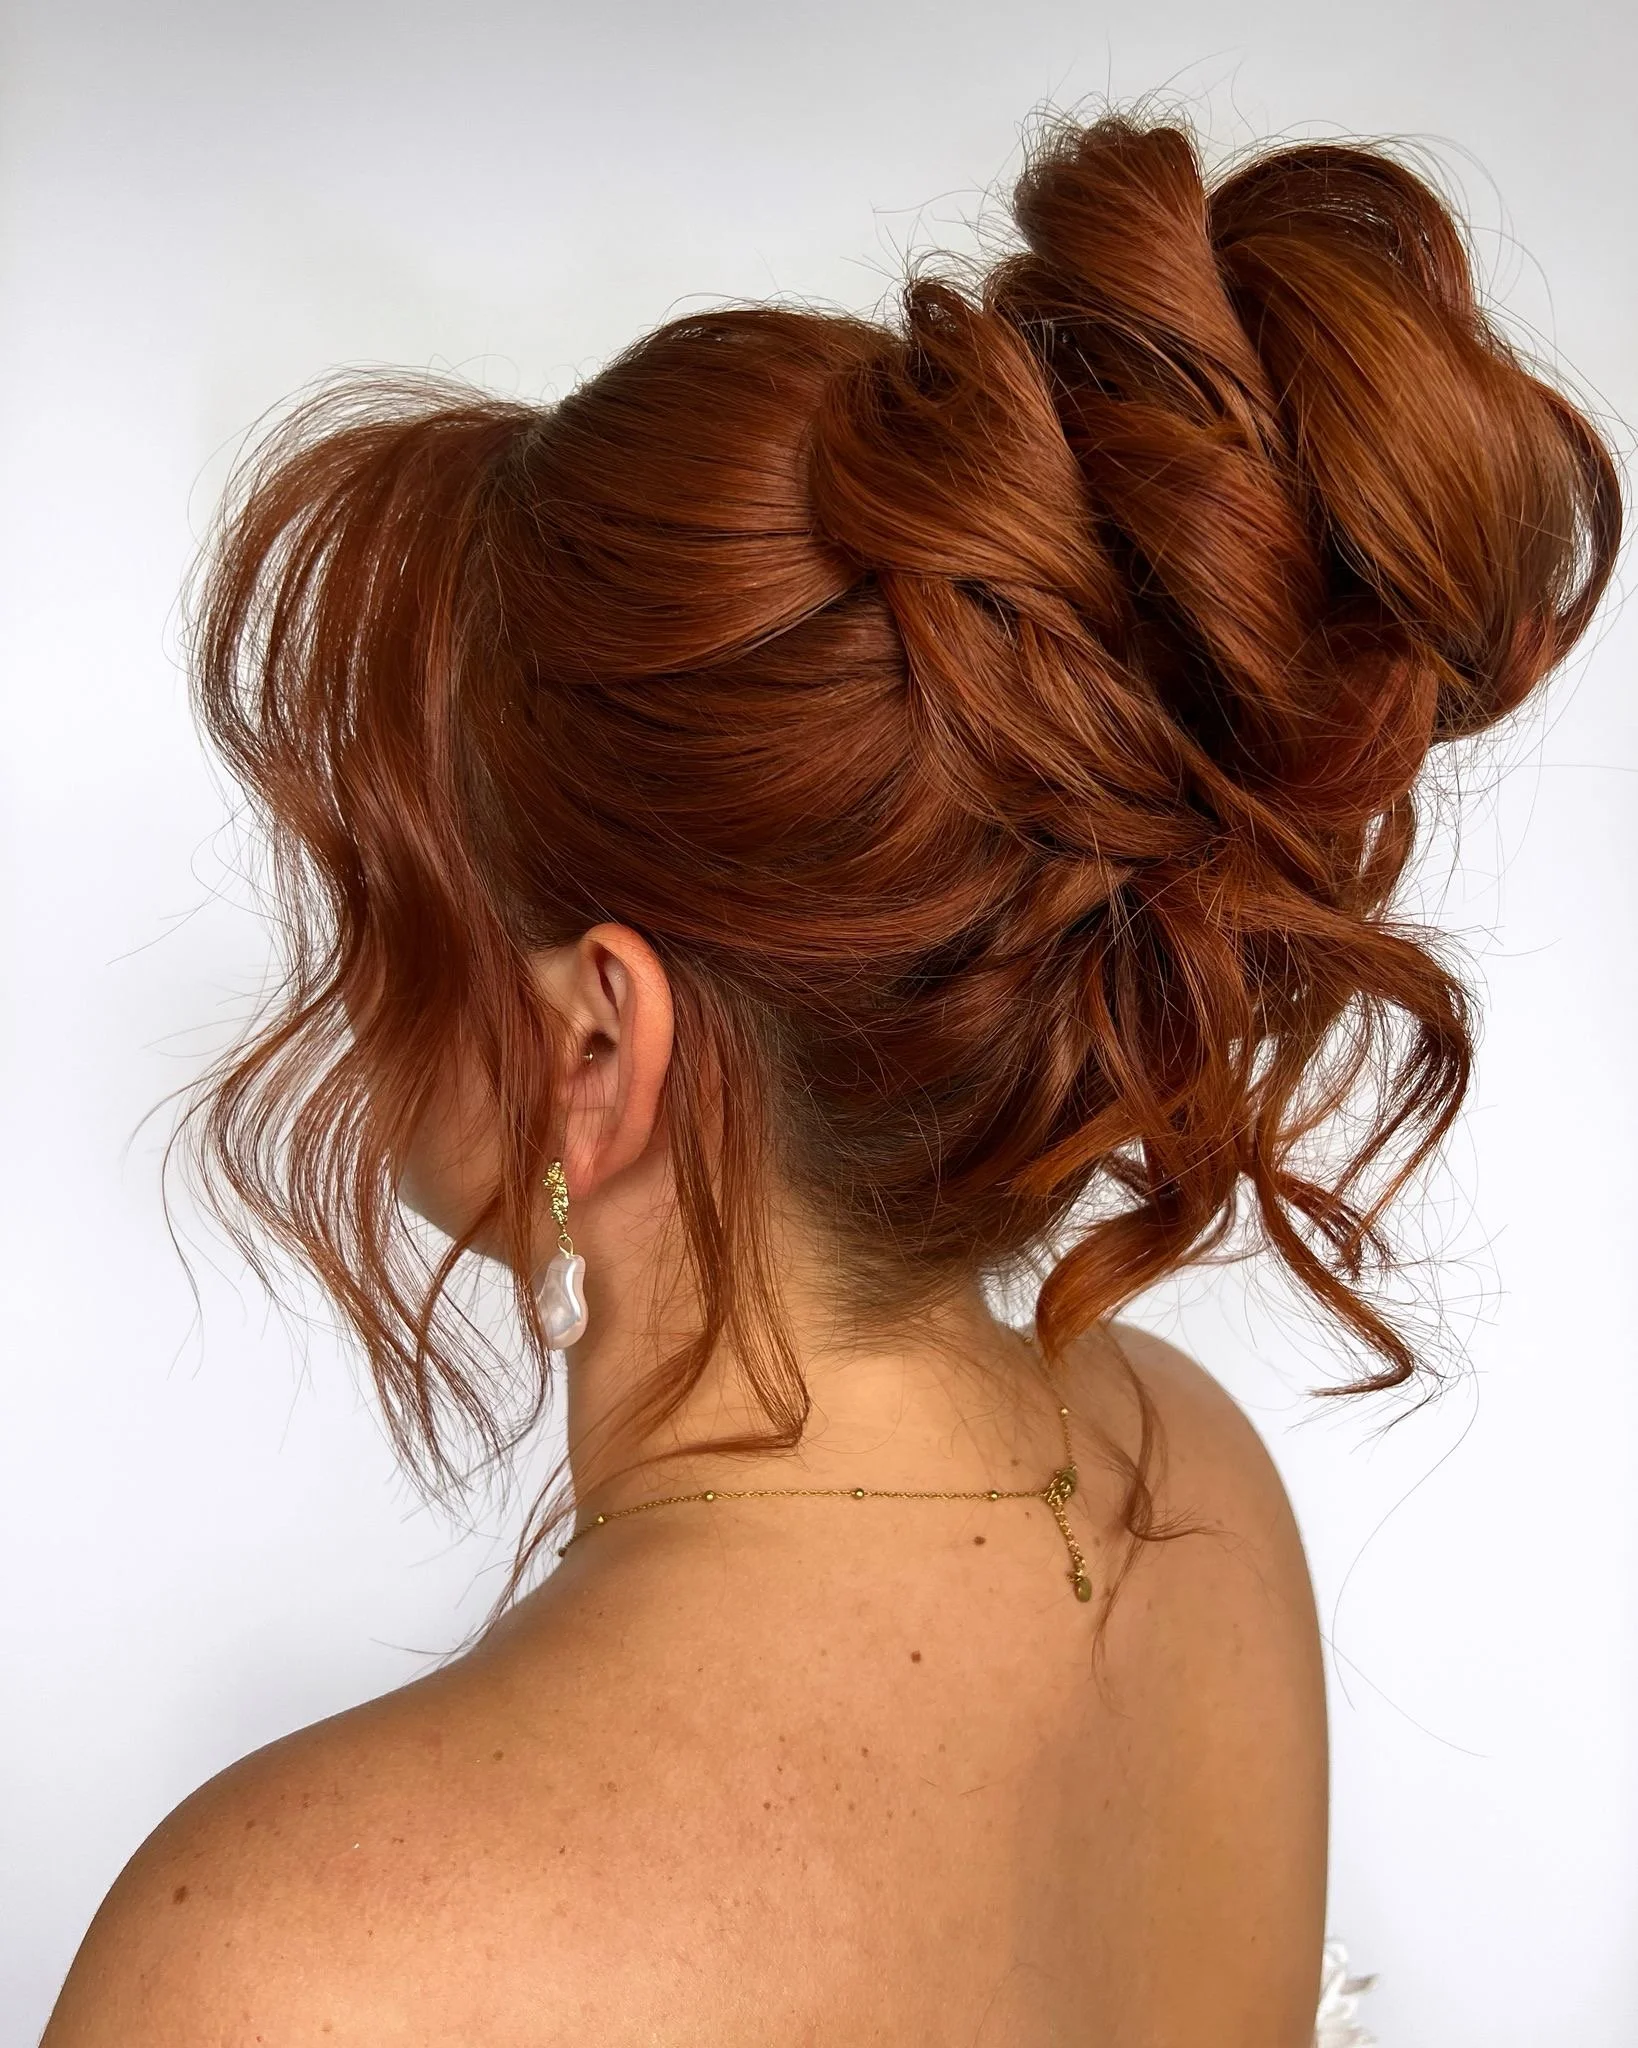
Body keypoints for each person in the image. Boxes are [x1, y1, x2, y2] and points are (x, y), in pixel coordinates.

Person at [41, 105, 1619, 2046]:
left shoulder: (293, 1961)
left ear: (599, 1044)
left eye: (385, 900)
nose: (345, 990)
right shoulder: (1190, 1494)